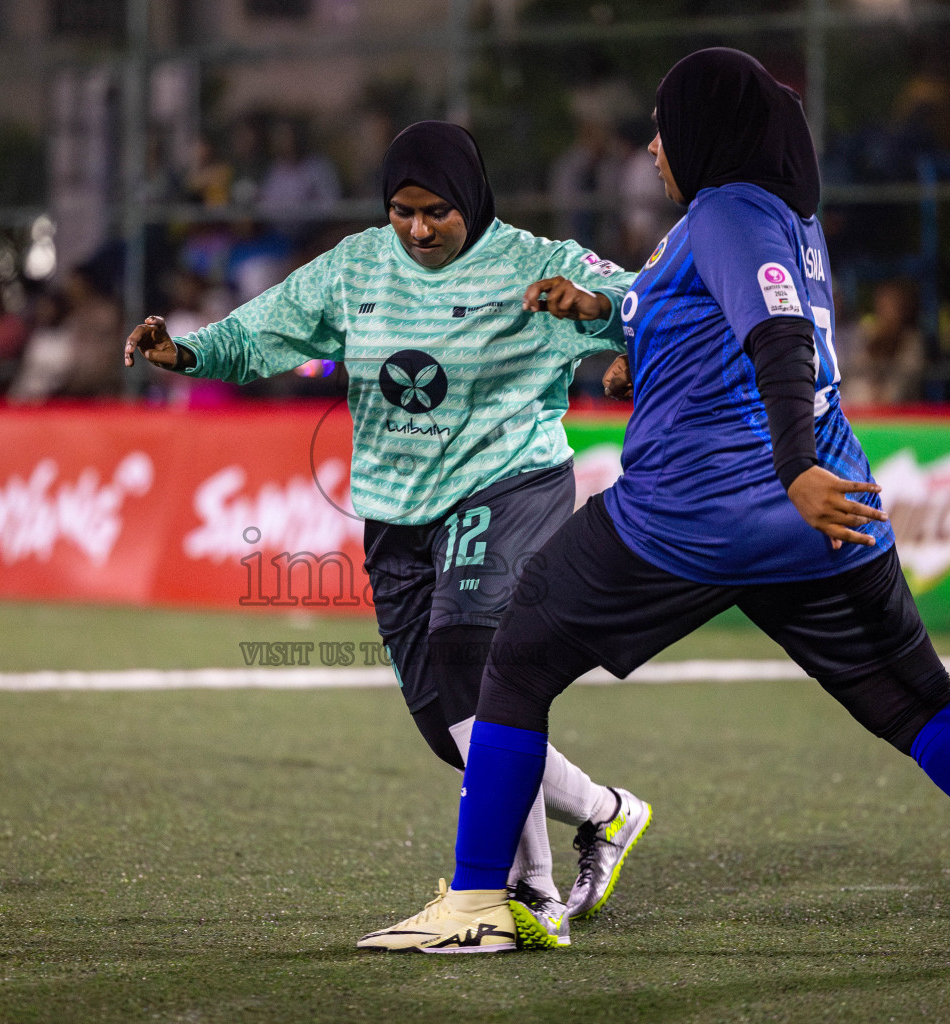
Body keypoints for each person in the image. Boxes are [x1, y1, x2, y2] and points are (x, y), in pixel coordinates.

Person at [367, 49, 950, 955]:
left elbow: (778, 339)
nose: (655, 146)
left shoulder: (726, 210)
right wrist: (621, 338)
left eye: (667, 125)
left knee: (514, 662)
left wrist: (795, 463)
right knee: (924, 703)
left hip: (694, 518)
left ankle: (479, 907)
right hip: (821, 529)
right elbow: (729, 329)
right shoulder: (784, 220)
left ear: (710, 132)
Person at [126, 121, 653, 949]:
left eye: (436, 210)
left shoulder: (535, 263)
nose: (417, 228)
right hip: (397, 510)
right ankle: (605, 814)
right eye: (403, 210)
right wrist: (186, 353)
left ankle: (524, 896)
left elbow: (648, 303)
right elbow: (264, 329)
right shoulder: (355, 266)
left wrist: (611, 324)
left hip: (508, 482)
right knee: (449, 727)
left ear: (471, 200)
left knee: (469, 659)